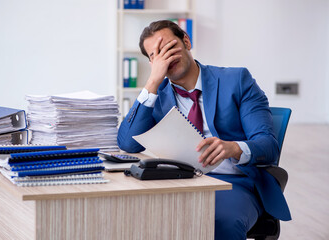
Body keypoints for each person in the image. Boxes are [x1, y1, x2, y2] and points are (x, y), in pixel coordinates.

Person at [117, 20, 291, 240]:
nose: (167, 57)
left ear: (187, 41)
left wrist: (234, 148)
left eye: (170, 47)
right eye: (157, 54)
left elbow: (268, 145)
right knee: (135, 218)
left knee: (218, 221)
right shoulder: (157, 96)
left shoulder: (236, 80)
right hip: (177, 183)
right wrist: (152, 82)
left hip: (233, 184)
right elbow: (127, 143)